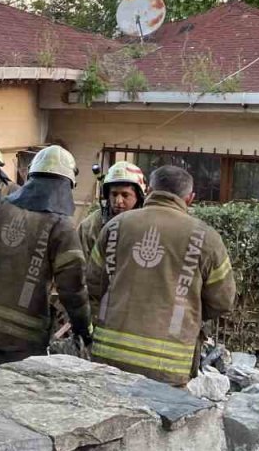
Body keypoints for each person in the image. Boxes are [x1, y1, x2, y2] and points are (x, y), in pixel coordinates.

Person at [85, 164, 236, 386]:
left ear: (148, 191)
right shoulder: (207, 237)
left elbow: (93, 283)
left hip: (109, 358)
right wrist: (187, 310)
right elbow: (223, 301)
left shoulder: (114, 226)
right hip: (168, 365)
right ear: (190, 198)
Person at [0, 145, 91, 369]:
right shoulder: (61, 227)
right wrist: (83, 328)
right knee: (11, 402)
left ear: (31, 177)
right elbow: (72, 288)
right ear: (66, 185)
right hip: (23, 341)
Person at [78, 160, 147, 254]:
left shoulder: (148, 224)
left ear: (138, 197)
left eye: (125, 195)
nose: (118, 201)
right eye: (114, 194)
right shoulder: (91, 226)